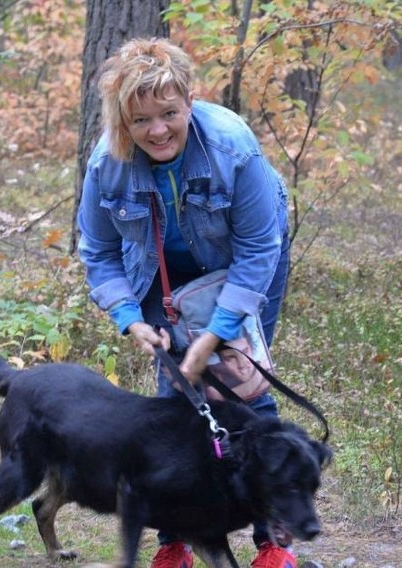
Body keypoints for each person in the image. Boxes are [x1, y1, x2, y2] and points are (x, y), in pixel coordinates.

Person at [77, 37, 293, 568]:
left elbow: (258, 248)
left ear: (188, 103)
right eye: (140, 120)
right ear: (122, 119)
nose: (156, 130)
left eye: (168, 114)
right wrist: (131, 322)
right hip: (160, 275)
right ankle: (176, 534)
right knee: (176, 402)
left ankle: (272, 542)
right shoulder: (106, 163)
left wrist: (217, 335)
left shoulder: (232, 148)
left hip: (241, 265)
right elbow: (99, 252)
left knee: (243, 389)